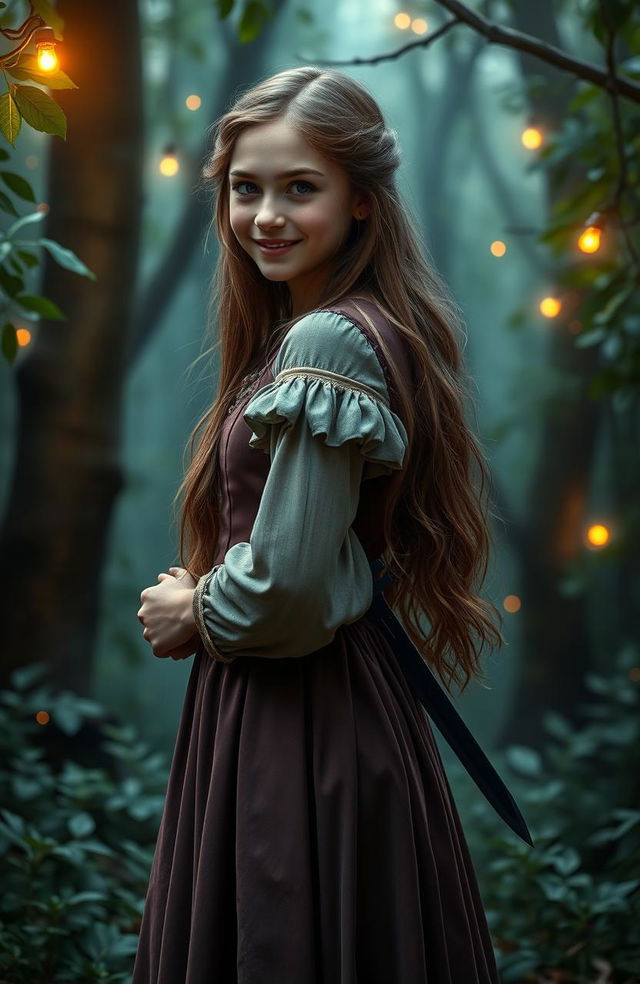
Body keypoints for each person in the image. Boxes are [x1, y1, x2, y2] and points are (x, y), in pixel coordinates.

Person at [133, 65, 506, 983]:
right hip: (323, 702)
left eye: (301, 187)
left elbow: (288, 591)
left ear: (362, 201)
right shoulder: (344, 329)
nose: (266, 215)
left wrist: (197, 608)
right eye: (245, 188)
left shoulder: (329, 339)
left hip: (305, 716)